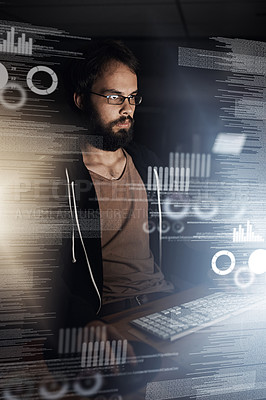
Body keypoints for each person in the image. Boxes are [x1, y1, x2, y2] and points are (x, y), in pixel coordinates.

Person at [49, 40, 174, 343]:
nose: (127, 108)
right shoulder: (57, 176)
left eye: (132, 97)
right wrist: (80, 322)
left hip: (165, 300)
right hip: (106, 316)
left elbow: (178, 235)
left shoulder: (148, 164)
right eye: (115, 96)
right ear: (81, 99)